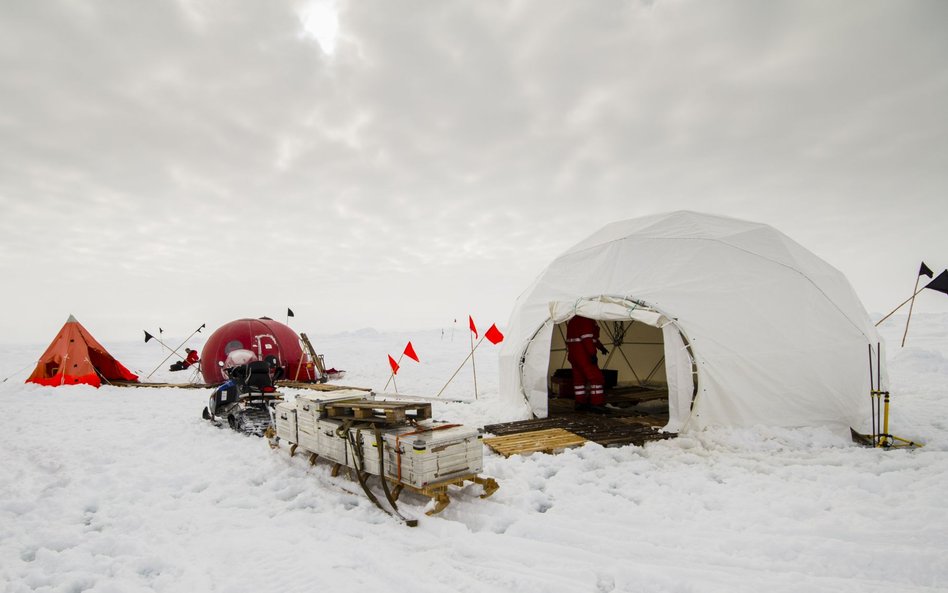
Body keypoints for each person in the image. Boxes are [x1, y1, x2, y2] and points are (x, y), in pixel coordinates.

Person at [565, 315, 608, 411]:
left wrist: (601, 347)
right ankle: (597, 403)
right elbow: (587, 338)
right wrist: (592, 354)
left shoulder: (573, 320)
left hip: (573, 355)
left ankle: (580, 402)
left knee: (579, 380)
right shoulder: (585, 320)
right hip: (583, 354)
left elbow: (590, 338)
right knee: (596, 378)